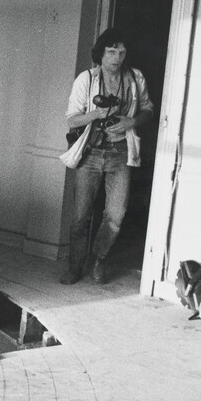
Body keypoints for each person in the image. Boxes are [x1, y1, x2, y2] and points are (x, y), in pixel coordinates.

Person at [62, 29, 154, 285]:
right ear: (101, 53)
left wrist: (131, 121)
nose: (116, 57)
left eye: (121, 52)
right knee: (81, 215)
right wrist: (97, 114)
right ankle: (75, 266)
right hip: (91, 151)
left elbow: (148, 109)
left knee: (116, 215)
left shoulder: (135, 79)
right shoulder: (87, 79)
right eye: (111, 51)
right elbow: (72, 119)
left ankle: (99, 258)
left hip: (121, 152)